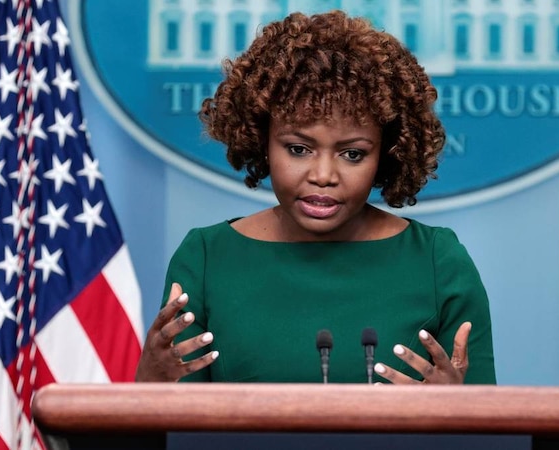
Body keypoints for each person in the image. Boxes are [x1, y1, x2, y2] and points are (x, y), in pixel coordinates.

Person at [135, 10, 496, 385]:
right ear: (262, 140)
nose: (323, 175)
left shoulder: (439, 263)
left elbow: (495, 436)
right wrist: (149, 384)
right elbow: (169, 435)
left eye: (352, 154)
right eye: (298, 149)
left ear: (387, 154)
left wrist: (458, 412)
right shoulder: (207, 258)